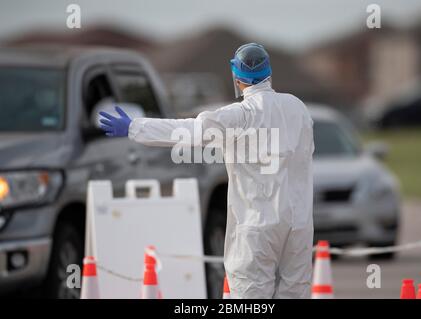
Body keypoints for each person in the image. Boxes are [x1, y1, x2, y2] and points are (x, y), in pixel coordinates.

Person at [99, 43, 315, 298]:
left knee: (249, 296)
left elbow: (188, 131)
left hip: (257, 226)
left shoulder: (240, 115)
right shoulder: (297, 107)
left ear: (237, 76)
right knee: (296, 292)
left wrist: (135, 127)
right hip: (299, 223)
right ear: (269, 72)